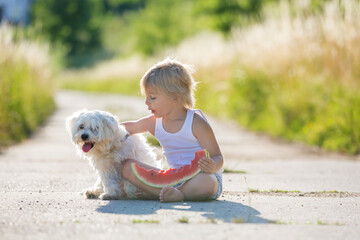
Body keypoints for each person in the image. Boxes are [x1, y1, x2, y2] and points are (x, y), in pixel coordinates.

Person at [121, 58, 223, 202]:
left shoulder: (196, 123)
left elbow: (217, 156)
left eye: (153, 97)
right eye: (146, 97)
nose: (146, 102)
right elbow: (128, 128)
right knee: (127, 167)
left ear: (174, 96)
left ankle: (169, 193)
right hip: (171, 178)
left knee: (207, 184)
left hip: (201, 176)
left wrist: (213, 166)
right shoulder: (154, 123)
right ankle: (167, 192)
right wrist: (103, 127)